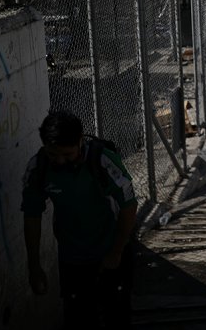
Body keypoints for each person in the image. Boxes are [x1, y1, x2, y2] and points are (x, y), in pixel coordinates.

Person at [22, 111, 137, 329]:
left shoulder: (102, 161)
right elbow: (31, 216)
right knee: (79, 319)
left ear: (80, 141)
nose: (60, 161)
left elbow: (129, 205)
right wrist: (34, 266)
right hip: (72, 260)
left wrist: (116, 251)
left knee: (117, 315)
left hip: (111, 251)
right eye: (53, 154)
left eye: (67, 154)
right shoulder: (38, 168)